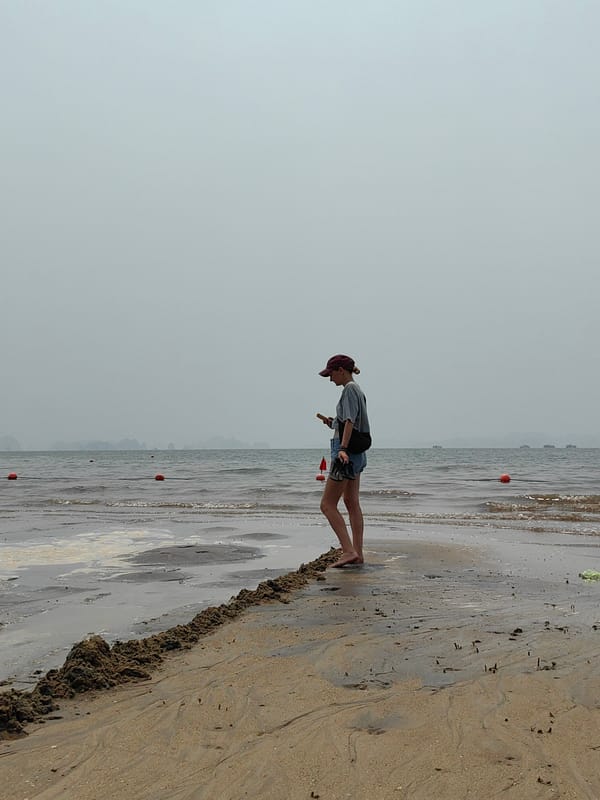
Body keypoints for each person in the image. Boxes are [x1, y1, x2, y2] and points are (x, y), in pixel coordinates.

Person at [317, 354, 371, 568]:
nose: (330, 379)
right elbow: (350, 421)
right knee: (351, 502)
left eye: (330, 374)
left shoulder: (348, 389)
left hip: (346, 454)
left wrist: (342, 448)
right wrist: (332, 423)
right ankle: (357, 552)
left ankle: (348, 551)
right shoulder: (357, 390)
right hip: (357, 454)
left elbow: (349, 421)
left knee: (327, 505)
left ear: (340, 370)